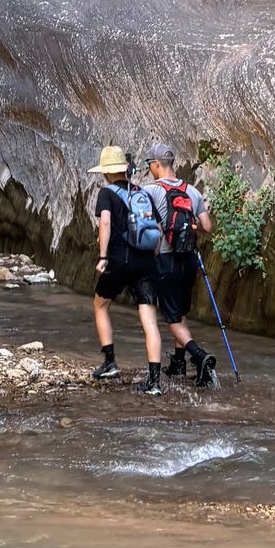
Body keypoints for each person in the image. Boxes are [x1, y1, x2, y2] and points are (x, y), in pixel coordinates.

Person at [90, 146, 169, 395]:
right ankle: (154, 382)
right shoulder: (141, 192)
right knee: (149, 319)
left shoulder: (106, 194)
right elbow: (157, 227)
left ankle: (110, 362)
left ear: (106, 172)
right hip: (146, 261)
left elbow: (105, 222)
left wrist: (103, 257)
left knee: (100, 305)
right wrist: (152, 257)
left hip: (120, 260)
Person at [142, 141, 217, 386]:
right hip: (189, 259)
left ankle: (199, 356)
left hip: (166, 258)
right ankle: (178, 365)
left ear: (156, 164)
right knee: (181, 312)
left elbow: (145, 226)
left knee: (172, 319)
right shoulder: (192, 191)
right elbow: (207, 227)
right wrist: (191, 226)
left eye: (150, 165)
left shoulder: (151, 191)